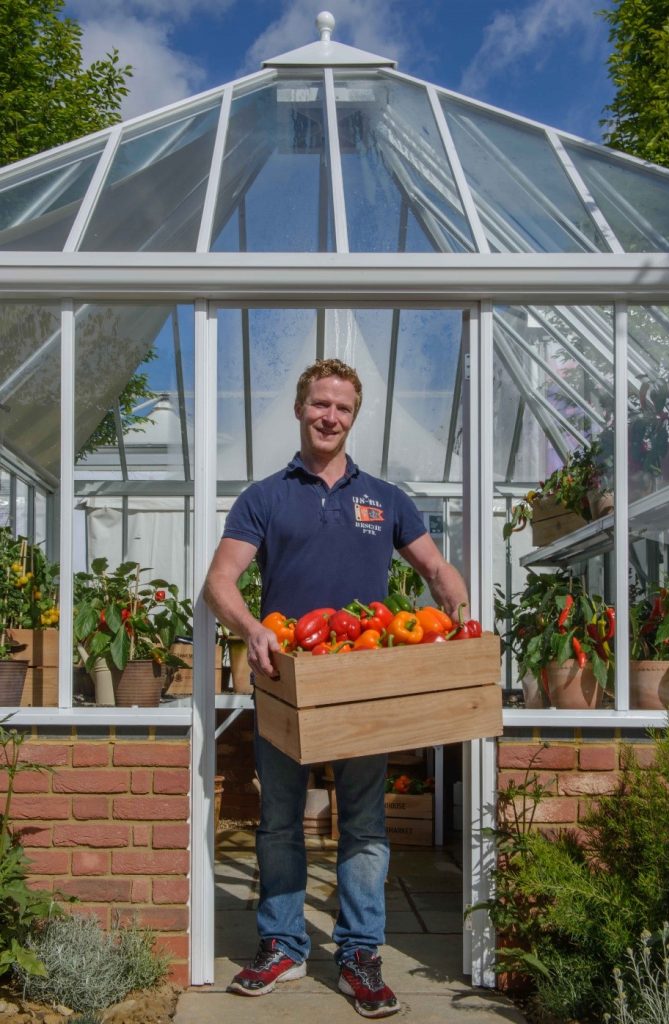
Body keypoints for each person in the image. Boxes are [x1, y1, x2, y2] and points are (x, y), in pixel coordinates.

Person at [204, 358, 469, 1019]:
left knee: (364, 826)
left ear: (354, 417)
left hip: (362, 685)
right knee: (278, 825)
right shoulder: (263, 496)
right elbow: (219, 582)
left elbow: (435, 568)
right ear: (299, 409)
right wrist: (250, 630)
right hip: (283, 678)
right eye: (319, 404)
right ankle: (283, 944)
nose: (329, 416)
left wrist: (459, 619)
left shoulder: (386, 497)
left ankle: (358, 952)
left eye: (342, 408)